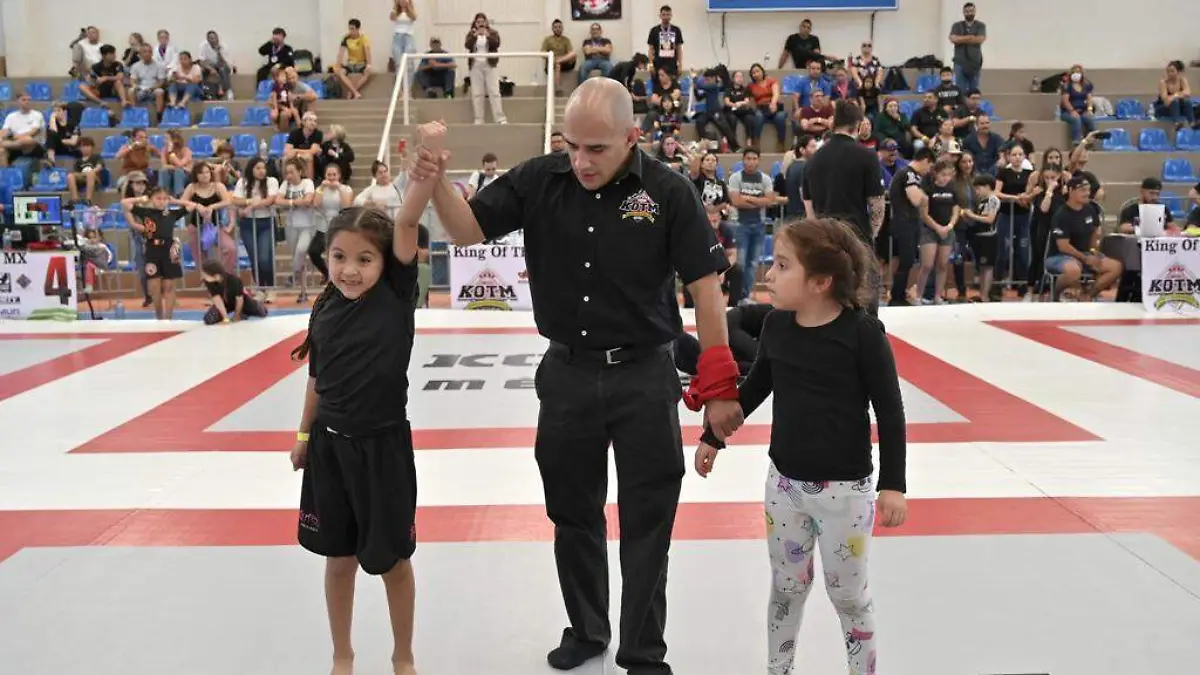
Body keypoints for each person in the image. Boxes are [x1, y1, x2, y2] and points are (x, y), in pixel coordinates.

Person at [406, 78, 744, 675]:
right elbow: (466, 231)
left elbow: (706, 289)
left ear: (631, 137)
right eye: (572, 146)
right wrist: (433, 181)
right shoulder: (540, 179)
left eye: (597, 149)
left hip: (645, 376)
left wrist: (718, 387)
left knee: (648, 521)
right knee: (572, 513)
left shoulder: (669, 191)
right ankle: (588, 630)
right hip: (566, 375)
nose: (582, 161)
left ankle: (642, 651)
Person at [694, 217, 908, 675]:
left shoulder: (863, 335)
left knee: (849, 596)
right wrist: (714, 435)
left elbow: (890, 413)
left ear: (820, 281)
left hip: (846, 494)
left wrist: (893, 484)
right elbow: (756, 388)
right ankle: (779, 669)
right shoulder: (776, 326)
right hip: (785, 488)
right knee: (786, 589)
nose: (768, 274)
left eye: (783, 265)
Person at [286, 127, 440, 675]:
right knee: (339, 560)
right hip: (330, 450)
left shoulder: (396, 296)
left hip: (383, 449)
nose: (350, 269)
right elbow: (317, 378)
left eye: (364, 259)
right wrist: (304, 435)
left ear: (385, 264)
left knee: (393, 562)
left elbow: (406, 222)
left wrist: (424, 168)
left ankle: (403, 656)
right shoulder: (325, 307)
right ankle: (342, 656)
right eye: (339, 257)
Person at [801, 100, 886, 313]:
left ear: (833, 123)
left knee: (832, 301)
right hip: (857, 236)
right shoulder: (866, 156)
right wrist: (871, 233)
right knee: (865, 300)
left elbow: (809, 209)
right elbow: (877, 204)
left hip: (825, 237)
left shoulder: (813, 160)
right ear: (857, 125)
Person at [121, 187, 185, 320]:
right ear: (152, 199)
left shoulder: (172, 213)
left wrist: (175, 201)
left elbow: (192, 206)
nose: (162, 201)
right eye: (158, 198)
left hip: (169, 249)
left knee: (169, 285)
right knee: (154, 287)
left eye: (165, 199)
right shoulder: (146, 212)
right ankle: (159, 317)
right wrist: (140, 199)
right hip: (152, 249)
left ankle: (168, 318)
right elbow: (124, 203)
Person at [886, 148, 934, 306]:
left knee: (906, 260)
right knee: (905, 260)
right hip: (904, 222)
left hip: (908, 221)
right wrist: (925, 198)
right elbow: (915, 198)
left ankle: (898, 294)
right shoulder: (909, 174)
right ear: (925, 160)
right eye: (929, 166)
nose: (928, 171)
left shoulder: (909, 174)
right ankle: (897, 297)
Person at [673, 301, 772, 376]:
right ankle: (677, 339)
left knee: (715, 360)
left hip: (733, 322)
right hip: (733, 323)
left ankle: (677, 341)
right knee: (762, 364)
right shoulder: (778, 318)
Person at [199, 259, 268, 325]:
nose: (202, 277)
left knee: (262, 311)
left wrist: (236, 315)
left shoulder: (234, 280)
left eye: (205, 275)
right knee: (209, 319)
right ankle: (241, 313)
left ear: (216, 276)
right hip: (226, 304)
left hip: (243, 302)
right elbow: (217, 299)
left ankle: (246, 310)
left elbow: (239, 299)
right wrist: (225, 318)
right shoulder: (209, 282)